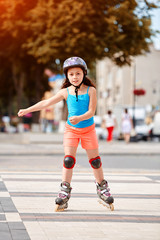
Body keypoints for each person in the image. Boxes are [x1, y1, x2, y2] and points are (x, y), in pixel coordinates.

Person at [18, 57, 114, 211]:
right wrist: (28, 109)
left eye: (78, 73)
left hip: (88, 130)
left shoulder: (91, 90)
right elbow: (46, 103)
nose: (75, 77)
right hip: (71, 130)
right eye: (71, 74)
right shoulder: (65, 92)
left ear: (84, 73)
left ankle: (102, 188)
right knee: (69, 160)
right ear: (67, 76)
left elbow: (91, 112)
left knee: (95, 161)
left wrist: (79, 118)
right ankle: (64, 191)